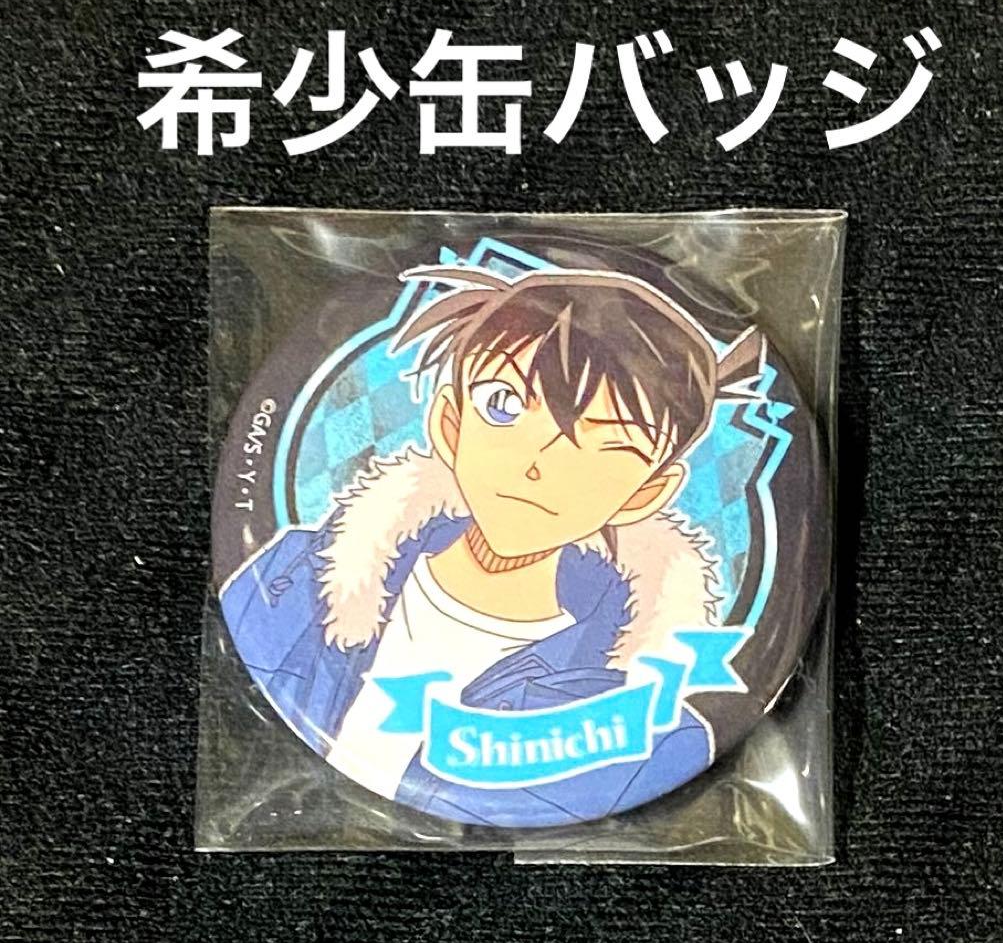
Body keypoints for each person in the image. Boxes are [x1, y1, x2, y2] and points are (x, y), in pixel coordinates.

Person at [221, 264, 764, 826]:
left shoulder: (657, 724)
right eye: (503, 406)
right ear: (450, 425)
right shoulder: (290, 578)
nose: (538, 466)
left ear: (647, 493)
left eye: (612, 446)